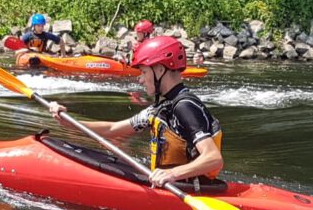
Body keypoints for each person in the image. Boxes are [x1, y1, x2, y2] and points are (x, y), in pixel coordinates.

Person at [47, 36, 223, 188]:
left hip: (188, 188)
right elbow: (113, 130)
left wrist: (172, 174)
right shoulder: (160, 108)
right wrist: (69, 121)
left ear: (160, 70)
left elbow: (213, 158)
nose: (140, 79)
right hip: (171, 183)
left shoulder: (184, 107)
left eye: (144, 72)